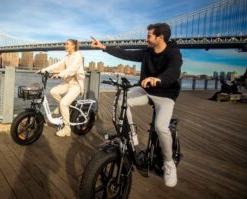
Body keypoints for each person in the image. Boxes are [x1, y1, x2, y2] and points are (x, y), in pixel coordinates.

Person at [91, 23, 182, 187]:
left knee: (161, 127)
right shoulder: (147, 52)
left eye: (149, 36)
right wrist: (103, 47)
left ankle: (169, 164)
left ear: (160, 37)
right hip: (146, 90)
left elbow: (174, 71)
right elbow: (126, 54)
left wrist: (158, 79)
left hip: (165, 95)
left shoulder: (173, 53)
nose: (145, 38)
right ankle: (131, 134)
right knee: (120, 101)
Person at [38, 39, 85, 137]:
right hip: (68, 83)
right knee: (53, 91)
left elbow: (72, 69)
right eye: (65, 44)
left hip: (76, 85)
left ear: (73, 46)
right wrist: (44, 70)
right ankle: (64, 106)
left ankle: (67, 129)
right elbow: (57, 65)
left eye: (67, 44)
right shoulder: (67, 57)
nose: (65, 45)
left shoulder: (78, 56)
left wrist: (60, 74)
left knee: (63, 103)